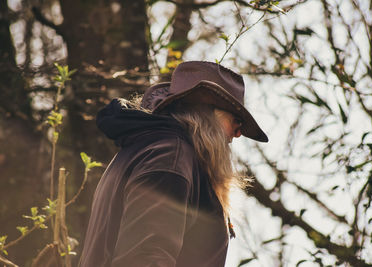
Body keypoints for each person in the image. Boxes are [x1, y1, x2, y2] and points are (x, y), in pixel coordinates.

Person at [79, 61, 269, 267]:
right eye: (235, 121)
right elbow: (145, 258)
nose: (238, 133)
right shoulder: (170, 156)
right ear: (207, 114)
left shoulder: (153, 150)